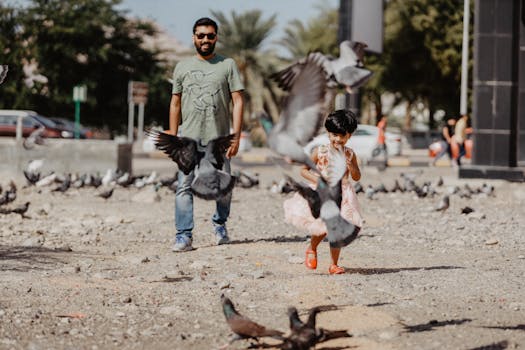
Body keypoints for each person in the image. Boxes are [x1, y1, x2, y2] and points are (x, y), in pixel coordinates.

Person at [168, 17, 244, 252]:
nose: (205, 39)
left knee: (224, 187)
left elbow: (238, 100)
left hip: (218, 140)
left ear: (216, 37)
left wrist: (236, 135)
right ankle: (184, 235)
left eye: (210, 35)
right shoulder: (182, 67)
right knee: (183, 187)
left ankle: (220, 225)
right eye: (200, 35)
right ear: (193, 37)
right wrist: (172, 134)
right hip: (188, 140)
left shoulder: (227, 65)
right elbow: (175, 103)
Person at [283, 110, 363, 275]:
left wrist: (351, 166)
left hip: (343, 195)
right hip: (323, 194)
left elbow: (356, 176)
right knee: (323, 227)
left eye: (342, 136)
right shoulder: (320, 152)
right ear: (328, 133)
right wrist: (317, 181)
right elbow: (303, 170)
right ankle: (311, 248)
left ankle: (334, 264)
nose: (338, 140)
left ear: (349, 136)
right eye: (334, 135)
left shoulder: (350, 154)